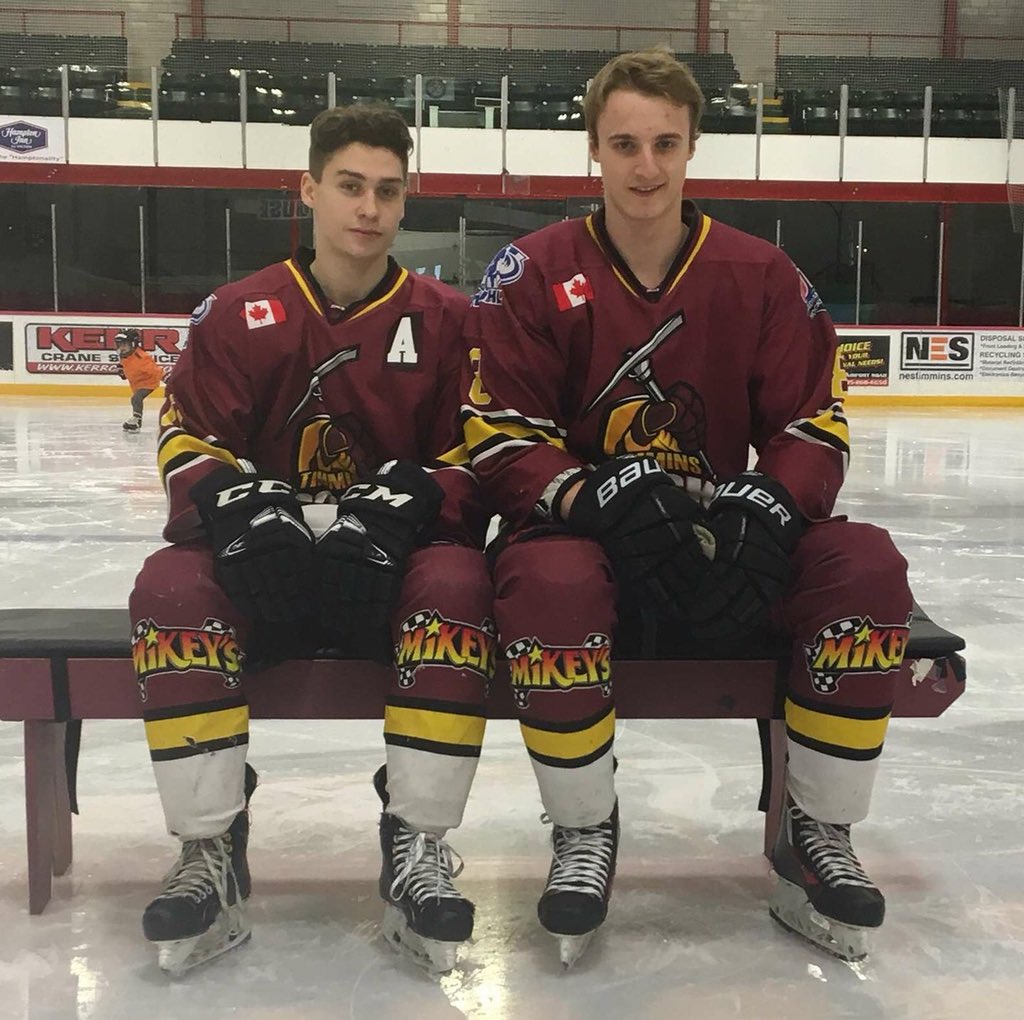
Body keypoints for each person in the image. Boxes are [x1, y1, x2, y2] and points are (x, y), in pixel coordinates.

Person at [461, 48, 912, 967]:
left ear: (694, 145)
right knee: (546, 580)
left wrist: (768, 506)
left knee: (865, 566)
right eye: (624, 143)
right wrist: (590, 493)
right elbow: (498, 430)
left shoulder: (760, 274)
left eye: (666, 143)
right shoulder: (532, 270)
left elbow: (813, 419)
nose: (646, 166)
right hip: (586, 545)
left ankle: (815, 827)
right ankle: (585, 830)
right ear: (594, 148)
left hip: (719, 539)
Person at [129, 103, 495, 976]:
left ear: (406, 202)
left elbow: (478, 453)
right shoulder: (237, 311)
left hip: (394, 560)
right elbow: (185, 441)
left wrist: (405, 507)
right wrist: (243, 508)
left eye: (388, 191)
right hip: (264, 556)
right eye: (350, 187)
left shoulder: (448, 319)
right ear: (309, 189)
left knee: (458, 590)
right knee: (171, 594)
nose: (368, 208)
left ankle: (417, 840)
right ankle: (210, 846)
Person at [115, 327, 163, 431]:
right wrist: (122, 370)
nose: (121, 348)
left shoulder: (142, 358)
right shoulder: (124, 355)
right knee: (135, 398)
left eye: (124, 344)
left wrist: (168, 379)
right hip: (137, 383)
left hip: (149, 381)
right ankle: (136, 420)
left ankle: (136, 421)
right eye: (119, 345)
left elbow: (156, 371)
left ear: (133, 344)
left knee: (136, 398)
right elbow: (124, 364)